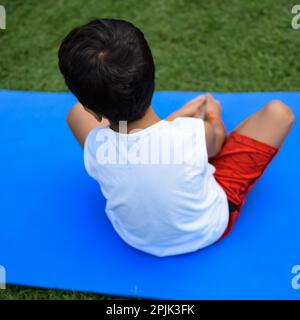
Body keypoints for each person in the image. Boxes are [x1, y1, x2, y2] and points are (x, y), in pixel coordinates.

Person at [58, 19, 295, 257]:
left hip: (136, 239)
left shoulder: (95, 145)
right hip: (208, 228)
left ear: (92, 109)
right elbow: (216, 145)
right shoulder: (193, 133)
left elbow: (94, 116)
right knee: (278, 113)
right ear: (151, 76)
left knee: (74, 114)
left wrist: (173, 124)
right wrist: (213, 114)